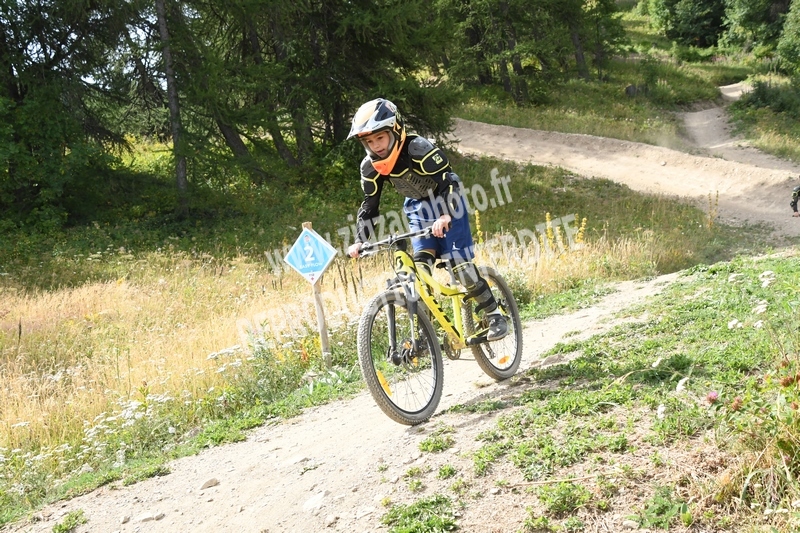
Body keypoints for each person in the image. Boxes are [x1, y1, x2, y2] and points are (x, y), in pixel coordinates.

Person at [346, 98, 507, 341]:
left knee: (461, 267)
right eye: (369, 141)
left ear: (396, 131)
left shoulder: (419, 149)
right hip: (417, 208)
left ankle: (495, 315)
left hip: (447, 200)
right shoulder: (370, 167)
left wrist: (446, 214)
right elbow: (370, 205)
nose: (376, 145)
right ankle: (426, 335)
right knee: (417, 272)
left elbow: (449, 182)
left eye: (380, 137)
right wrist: (360, 240)